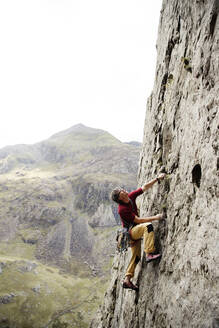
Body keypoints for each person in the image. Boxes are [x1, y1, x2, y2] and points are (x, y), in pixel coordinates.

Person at [111, 174, 166, 291]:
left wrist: (157, 179)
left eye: (123, 190)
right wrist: (156, 217)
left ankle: (127, 280)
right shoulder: (122, 210)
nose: (124, 192)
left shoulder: (130, 197)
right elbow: (139, 220)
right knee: (148, 227)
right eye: (122, 193)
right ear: (120, 198)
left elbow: (144, 187)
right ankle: (149, 253)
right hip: (132, 233)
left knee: (136, 257)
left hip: (132, 232)